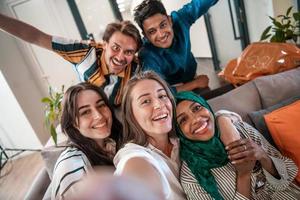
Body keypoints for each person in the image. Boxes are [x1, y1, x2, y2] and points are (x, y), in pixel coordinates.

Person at [175, 91, 300, 199]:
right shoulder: (191, 178)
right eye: (183, 120)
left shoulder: (241, 129)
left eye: (197, 108)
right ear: (178, 132)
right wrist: (243, 176)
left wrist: (262, 156)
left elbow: (289, 175)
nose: (196, 119)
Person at [0, 13, 142, 106]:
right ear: (104, 44)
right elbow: (37, 37)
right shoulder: (83, 51)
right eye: (115, 48)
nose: (120, 57)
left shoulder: (137, 68)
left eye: (128, 52)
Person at [114, 71, 187, 199]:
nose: (159, 105)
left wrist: (223, 119)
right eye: (146, 101)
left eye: (162, 96)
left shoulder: (183, 137)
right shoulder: (133, 155)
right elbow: (133, 168)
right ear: (131, 115)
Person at [51, 82, 122, 199]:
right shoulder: (71, 166)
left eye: (101, 105)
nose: (98, 116)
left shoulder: (111, 143)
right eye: (85, 112)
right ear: (73, 123)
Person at [133, 0, 218, 92]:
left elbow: (200, 3)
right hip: (170, 91)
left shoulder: (180, 20)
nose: (161, 35)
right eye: (152, 31)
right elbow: (159, 91)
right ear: (145, 35)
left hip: (192, 76)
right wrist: (195, 83)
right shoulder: (146, 55)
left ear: (170, 21)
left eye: (163, 25)